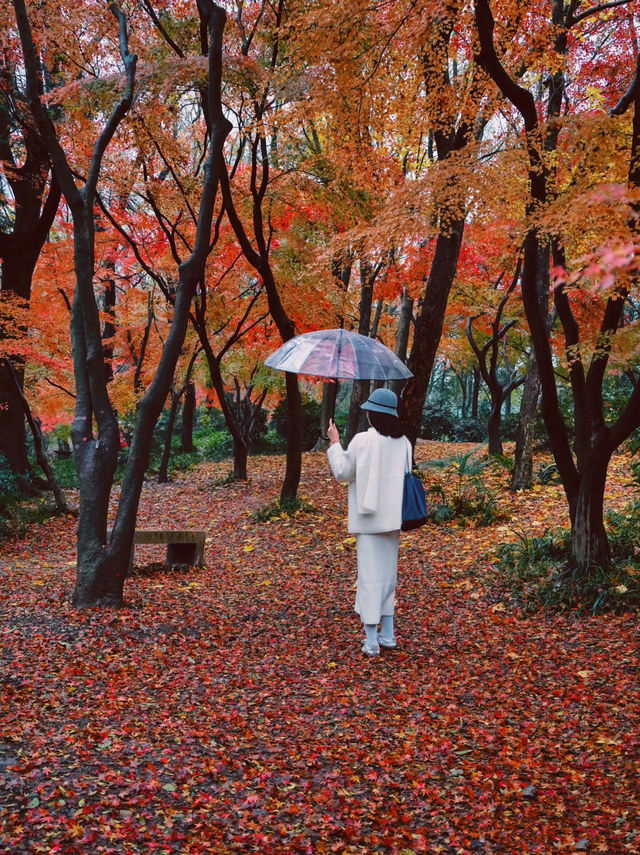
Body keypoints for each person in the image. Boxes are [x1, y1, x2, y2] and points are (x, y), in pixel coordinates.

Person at [327, 387, 411, 658]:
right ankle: (388, 634)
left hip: (369, 519)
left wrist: (334, 443)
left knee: (370, 579)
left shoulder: (363, 441)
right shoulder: (404, 442)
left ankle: (372, 640)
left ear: (373, 415)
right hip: (394, 519)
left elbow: (342, 472)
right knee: (387, 578)